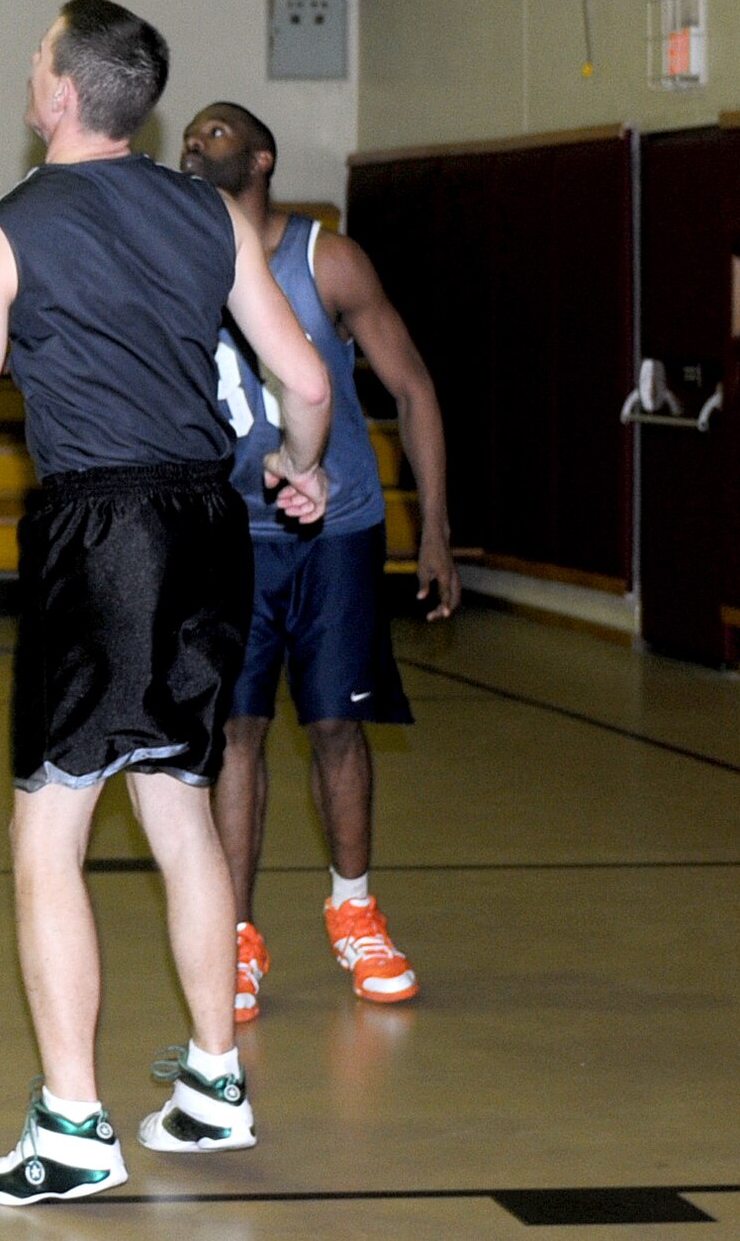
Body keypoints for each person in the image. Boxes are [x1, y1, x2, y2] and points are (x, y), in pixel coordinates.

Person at [0, 0, 333, 1205]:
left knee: (49, 826)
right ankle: (211, 1085)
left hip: (101, 530)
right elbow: (300, 376)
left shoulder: (6, 228)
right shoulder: (205, 211)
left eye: (33, 57)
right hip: (208, 524)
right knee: (180, 809)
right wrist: (300, 467)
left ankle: (73, 1125)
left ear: (55, 95)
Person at [180, 102, 460, 1016]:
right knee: (236, 734)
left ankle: (355, 909)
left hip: (335, 532)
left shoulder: (326, 259)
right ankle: (234, 934)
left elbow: (413, 387)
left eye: (214, 133)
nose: (194, 144)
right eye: (186, 136)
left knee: (338, 727)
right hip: (230, 536)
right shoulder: (177, 258)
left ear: (261, 158)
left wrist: (436, 528)